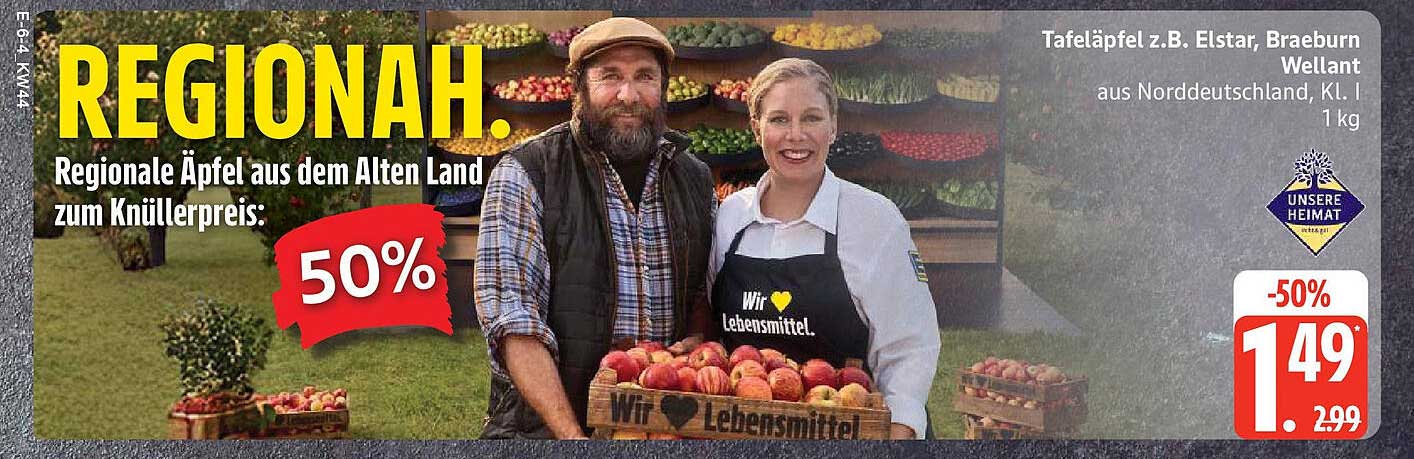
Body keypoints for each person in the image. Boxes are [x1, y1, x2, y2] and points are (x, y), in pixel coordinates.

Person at [473, 17, 716, 439]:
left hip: (658, 426)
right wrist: (573, 437)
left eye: (645, 76)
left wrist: (697, 335)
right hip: (549, 427)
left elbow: (701, 289)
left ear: (663, 87)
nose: (629, 95)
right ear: (578, 87)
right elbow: (514, 323)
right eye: (610, 77)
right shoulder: (528, 172)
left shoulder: (693, 177)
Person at [707, 58, 941, 439]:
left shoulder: (874, 220)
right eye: (779, 119)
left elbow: (909, 350)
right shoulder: (730, 217)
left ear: (833, 127)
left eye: (812, 118)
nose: (795, 135)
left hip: (856, 431)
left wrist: (899, 433)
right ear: (756, 128)